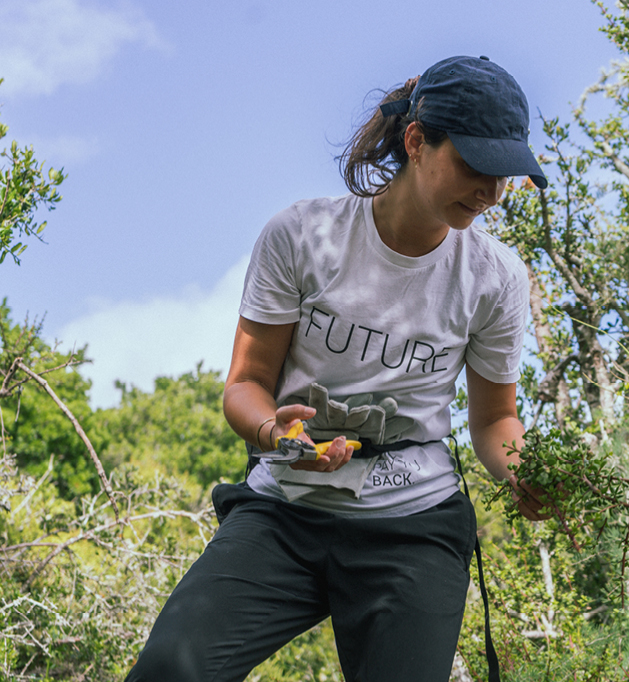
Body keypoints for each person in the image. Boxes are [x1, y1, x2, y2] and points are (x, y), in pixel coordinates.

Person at [125, 55, 550, 682]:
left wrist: (525, 474)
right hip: (283, 515)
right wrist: (278, 435)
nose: (490, 192)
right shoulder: (301, 236)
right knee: (168, 671)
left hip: (413, 527)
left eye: (505, 175)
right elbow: (245, 386)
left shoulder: (494, 279)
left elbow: (494, 421)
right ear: (416, 142)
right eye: (475, 165)